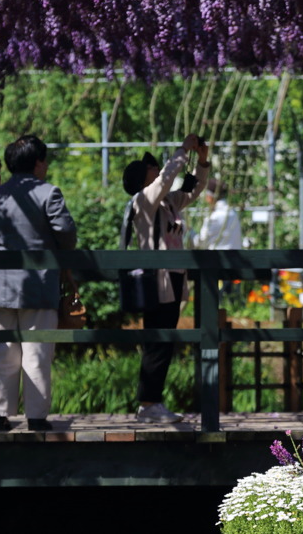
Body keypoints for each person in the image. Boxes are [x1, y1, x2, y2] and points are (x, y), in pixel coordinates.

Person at [0, 136, 76, 432]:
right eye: (44, 160)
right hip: (38, 285)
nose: (46, 166)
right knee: (37, 353)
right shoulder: (49, 193)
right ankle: (36, 418)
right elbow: (67, 234)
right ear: (37, 162)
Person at [121, 134, 210, 424]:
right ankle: (149, 404)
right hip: (156, 279)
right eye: (150, 168)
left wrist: (202, 161)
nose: (156, 169)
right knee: (158, 339)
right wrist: (184, 149)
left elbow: (192, 190)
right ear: (142, 178)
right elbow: (168, 177)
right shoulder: (143, 202)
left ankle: (152, 402)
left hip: (172, 278)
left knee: (164, 340)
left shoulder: (167, 204)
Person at [197, 178, 242, 250]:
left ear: (210, 197)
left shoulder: (215, 217)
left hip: (217, 259)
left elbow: (202, 242)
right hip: (236, 257)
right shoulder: (234, 213)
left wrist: (190, 233)